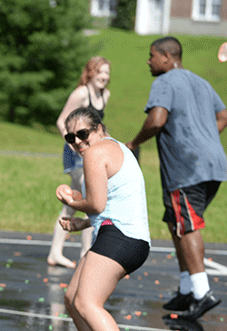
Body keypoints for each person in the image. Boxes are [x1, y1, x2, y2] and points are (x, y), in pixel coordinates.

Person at [127, 36, 226, 320]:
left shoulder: (164, 82)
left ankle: (202, 292)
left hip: (187, 167)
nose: (149, 61)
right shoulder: (201, 82)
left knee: (188, 226)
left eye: (152, 56)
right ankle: (186, 289)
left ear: (168, 58)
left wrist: (134, 143)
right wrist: (205, 137)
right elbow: (223, 115)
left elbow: (157, 119)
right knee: (176, 223)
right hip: (212, 164)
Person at [57, 107, 150, 330]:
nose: (77, 142)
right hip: (124, 235)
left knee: (87, 303)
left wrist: (70, 202)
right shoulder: (116, 148)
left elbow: (96, 204)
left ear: (98, 128)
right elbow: (115, 202)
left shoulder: (95, 153)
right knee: (72, 299)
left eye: (83, 134)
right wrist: (84, 222)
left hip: (120, 236)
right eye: (71, 137)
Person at [48, 56, 110, 269]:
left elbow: (99, 125)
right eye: (100, 72)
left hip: (91, 152)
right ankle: (86, 254)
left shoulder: (104, 95)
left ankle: (56, 252)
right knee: (90, 199)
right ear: (91, 72)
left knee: (73, 203)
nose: (104, 77)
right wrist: (74, 144)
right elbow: (61, 119)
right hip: (75, 153)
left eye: (107, 73)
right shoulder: (81, 93)